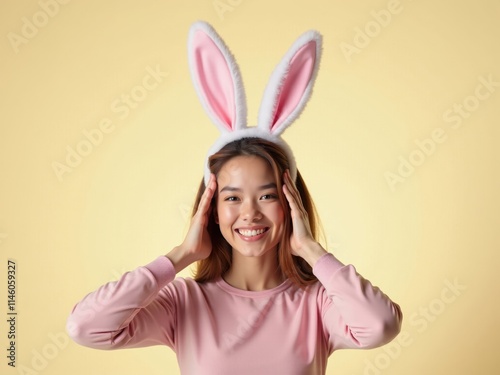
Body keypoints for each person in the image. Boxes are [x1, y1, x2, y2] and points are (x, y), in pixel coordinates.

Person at [66, 22, 402, 374]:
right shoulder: (184, 302)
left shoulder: (317, 303)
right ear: (210, 210)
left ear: (292, 205)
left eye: (267, 195)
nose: (250, 214)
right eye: (232, 198)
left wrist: (311, 251)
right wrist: (180, 256)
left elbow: (380, 325)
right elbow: (86, 327)